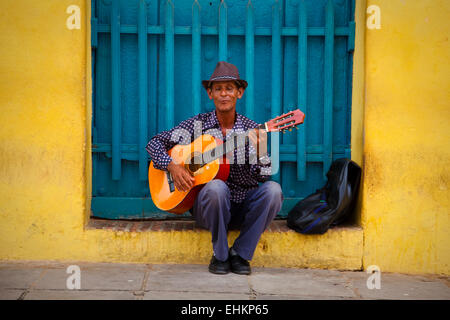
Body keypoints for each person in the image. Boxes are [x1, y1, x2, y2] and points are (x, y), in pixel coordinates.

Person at [146, 61, 283, 275]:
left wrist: (261, 152)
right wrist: (173, 167)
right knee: (217, 187)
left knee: (274, 190)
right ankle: (220, 256)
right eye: (218, 89)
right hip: (209, 208)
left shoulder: (251, 129)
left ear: (240, 92)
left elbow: (264, 177)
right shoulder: (197, 125)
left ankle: (240, 254)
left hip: (243, 207)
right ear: (210, 94)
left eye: (229, 88)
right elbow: (154, 143)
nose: (224, 94)